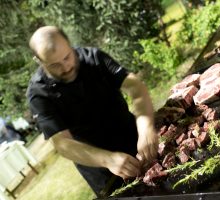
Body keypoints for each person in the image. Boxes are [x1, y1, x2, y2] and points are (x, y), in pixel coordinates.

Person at [26, 26, 158, 197]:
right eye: (55, 65)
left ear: (69, 44)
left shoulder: (94, 58)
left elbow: (135, 88)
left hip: (136, 139)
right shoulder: (38, 94)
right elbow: (63, 144)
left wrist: (146, 127)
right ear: (39, 60)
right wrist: (108, 159)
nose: (66, 67)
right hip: (100, 168)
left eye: (67, 57)